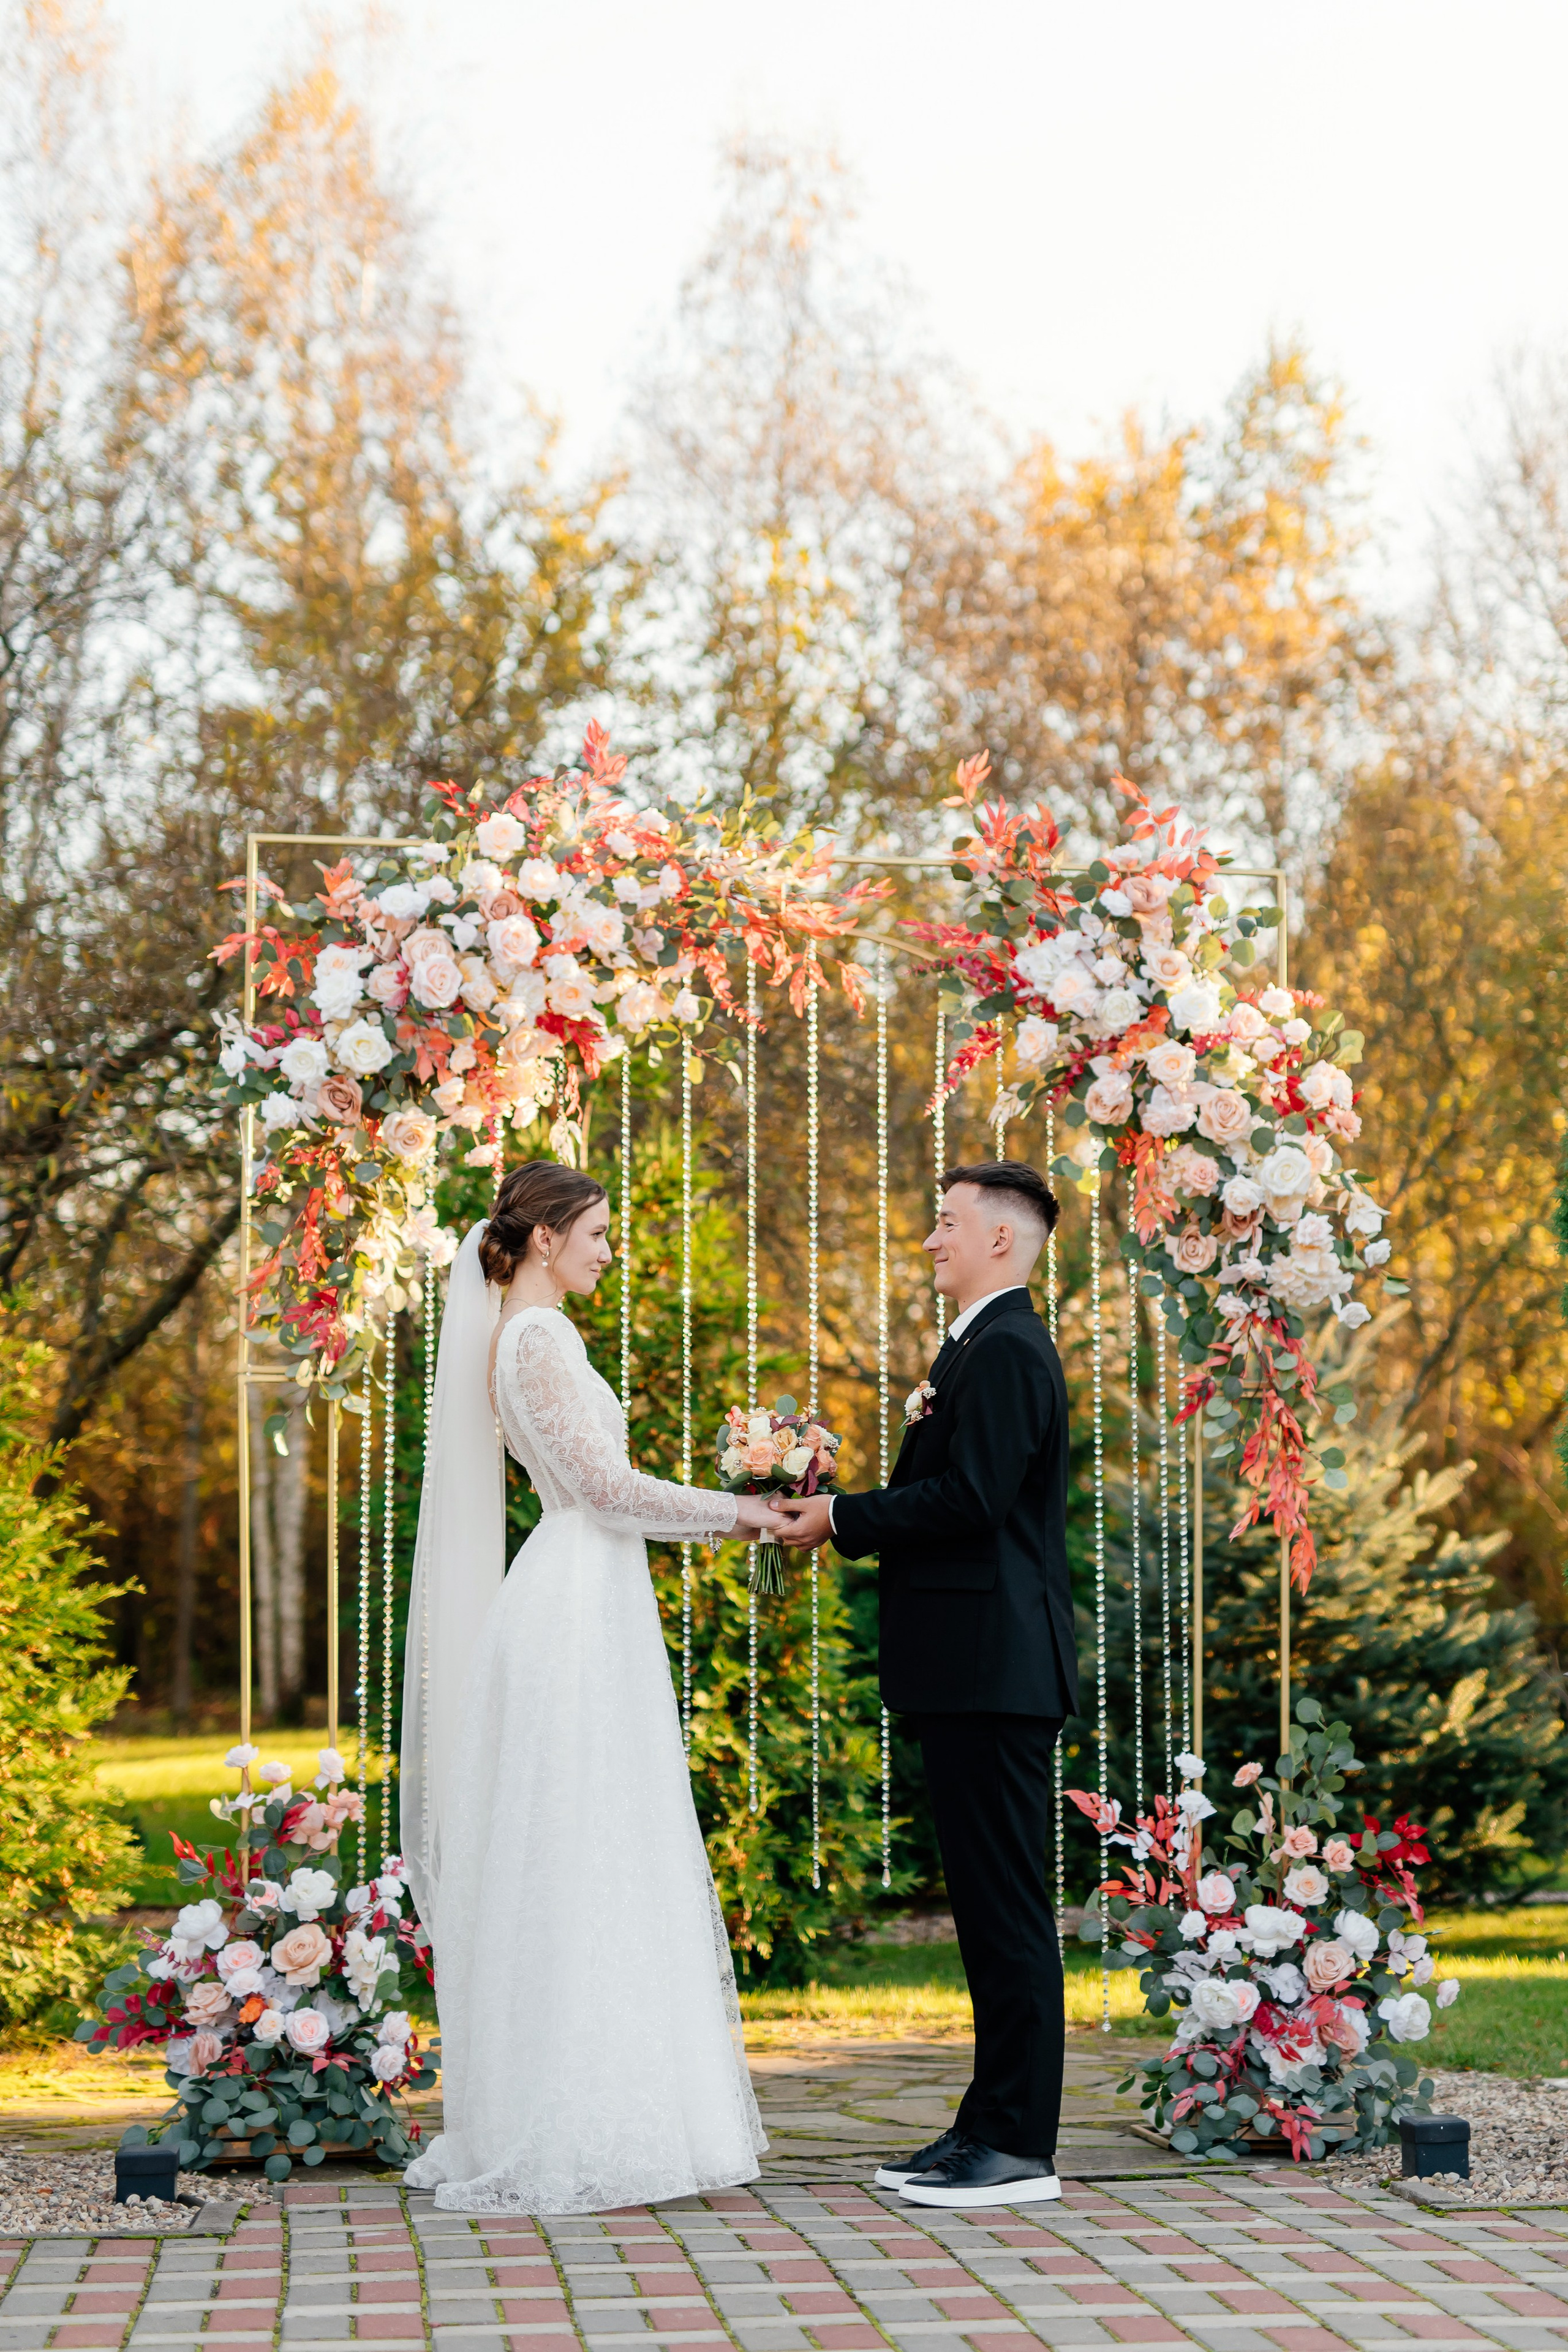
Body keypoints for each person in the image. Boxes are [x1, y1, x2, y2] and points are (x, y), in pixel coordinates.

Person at [400, 1162, 785, 2214]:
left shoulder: (522, 1336)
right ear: (541, 1239)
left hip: (584, 1591)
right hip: (574, 1596)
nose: (611, 1252)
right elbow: (603, 1490)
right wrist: (745, 1512)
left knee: (593, 1841)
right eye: (599, 1233)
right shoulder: (536, 1338)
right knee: (584, 1841)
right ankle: (572, 2116)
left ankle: (602, 2097)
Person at [776, 1159, 1076, 2211]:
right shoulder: (979, 1345)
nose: (930, 1239)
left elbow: (974, 1500)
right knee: (988, 1911)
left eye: (945, 1223)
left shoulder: (1007, 1351)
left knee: (1008, 1913)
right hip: (970, 1670)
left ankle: (1018, 2148)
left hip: (996, 1670)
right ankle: (985, 2125)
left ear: (1001, 1238)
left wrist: (845, 1517)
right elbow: (951, 1492)